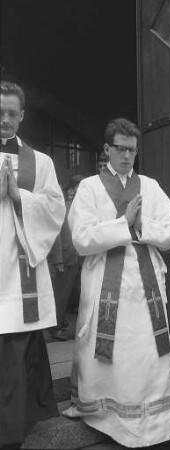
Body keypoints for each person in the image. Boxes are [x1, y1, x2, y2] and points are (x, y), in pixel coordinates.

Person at [62, 118, 170, 447]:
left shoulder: (151, 187)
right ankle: (101, 410)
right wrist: (123, 225)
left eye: (132, 150)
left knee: (143, 350)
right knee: (106, 349)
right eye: (120, 149)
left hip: (146, 288)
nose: (127, 156)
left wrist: (140, 226)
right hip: (104, 282)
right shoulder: (89, 187)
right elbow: (81, 239)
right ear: (107, 149)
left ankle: (152, 418)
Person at [0, 81, 66, 448]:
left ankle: (12, 432)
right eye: (0, 112)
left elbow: (56, 207)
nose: (5, 120)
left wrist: (18, 196)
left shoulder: (41, 162)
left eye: (12, 113)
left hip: (20, 272)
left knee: (16, 351)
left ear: (22, 116)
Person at [48, 174, 84, 341]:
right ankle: (56, 327)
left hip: (78, 257)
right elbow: (56, 231)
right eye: (76, 187)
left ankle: (66, 324)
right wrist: (58, 258)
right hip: (66, 256)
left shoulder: (83, 205)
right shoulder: (61, 204)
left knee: (75, 293)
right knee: (61, 294)